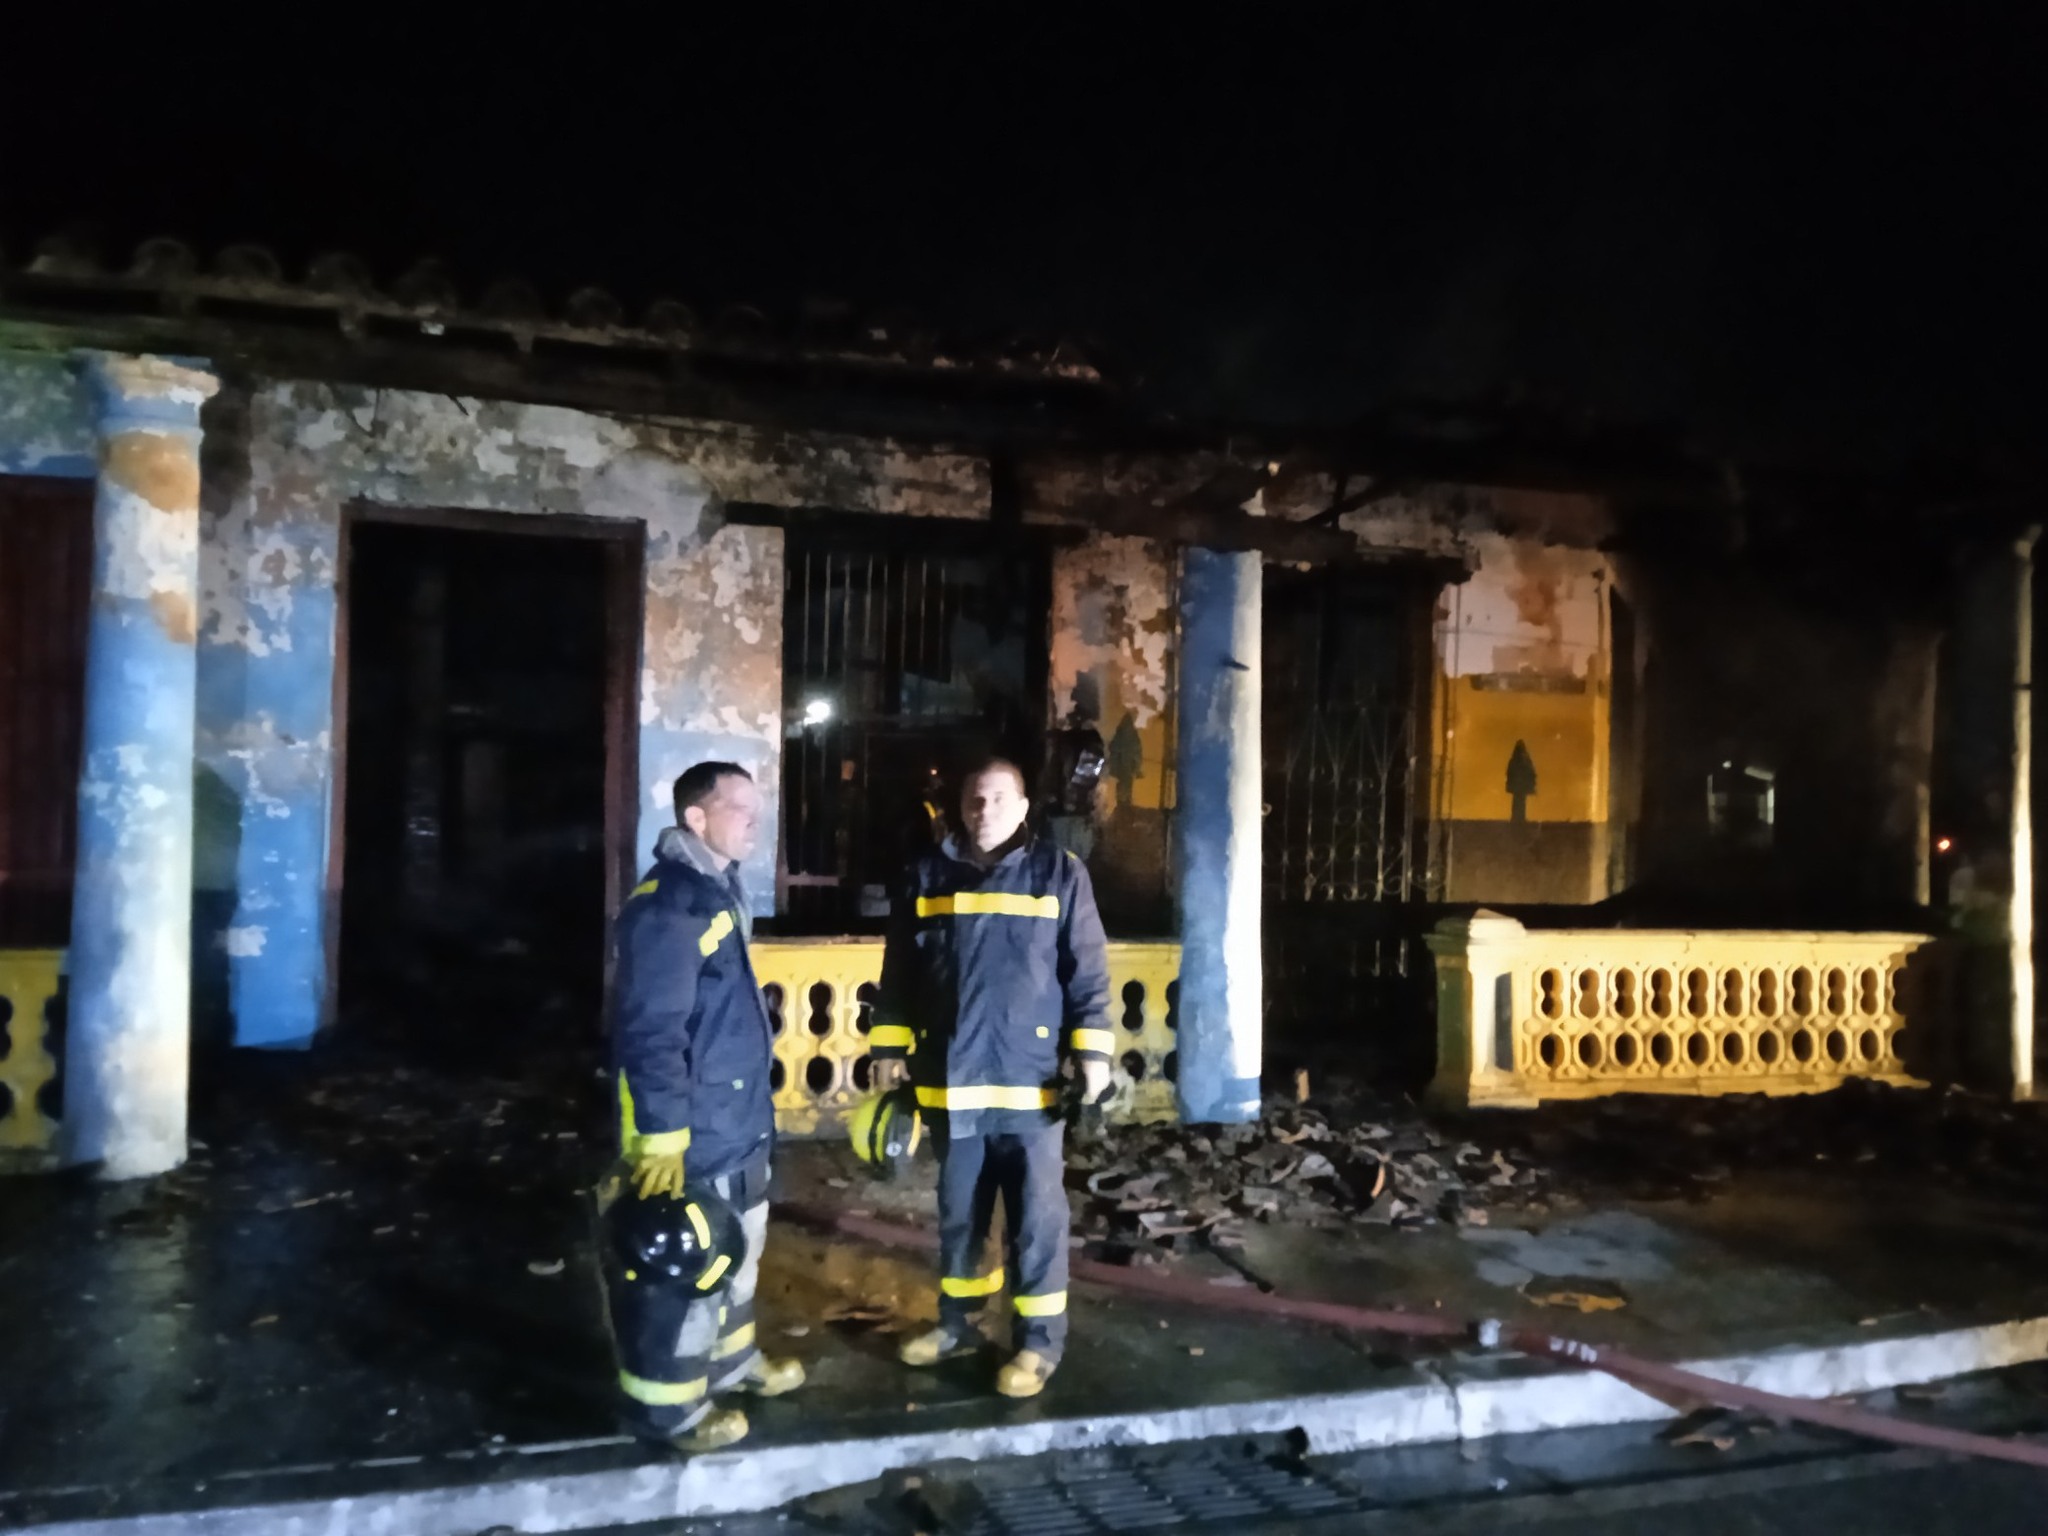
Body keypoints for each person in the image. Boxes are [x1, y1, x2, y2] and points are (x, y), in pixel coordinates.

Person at [870, 757, 1114, 1398]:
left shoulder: (1059, 873)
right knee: (961, 1216)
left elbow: (1087, 971)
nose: (985, 811)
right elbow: (899, 969)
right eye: (975, 800)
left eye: (999, 799)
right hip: (951, 1082)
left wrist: (1093, 1054)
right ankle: (959, 1325)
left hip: (1031, 1086)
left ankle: (1038, 1346)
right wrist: (888, 1043)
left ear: (1024, 807)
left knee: (1036, 1221)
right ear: (960, 806)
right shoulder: (926, 874)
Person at [602, 761, 803, 1450]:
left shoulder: (716, 891)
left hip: (735, 1121)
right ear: (696, 817)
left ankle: (731, 1364)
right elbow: (649, 1032)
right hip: (692, 1132)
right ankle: (671, 1411)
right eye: (739, 807)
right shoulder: (668, 908)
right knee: (685, 1267)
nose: (754, 820)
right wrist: (663, 1134)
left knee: (736, 1255)